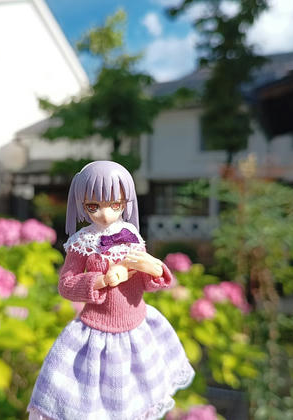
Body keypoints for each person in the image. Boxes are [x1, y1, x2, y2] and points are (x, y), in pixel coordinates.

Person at [28, 161, 194, 420]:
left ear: (126, 203)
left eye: (115, 205)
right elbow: (66, 284)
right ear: (82, 205)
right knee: (95, 399)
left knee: (138, 392)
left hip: (137, 325)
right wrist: (101, 280)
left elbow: (146, 283)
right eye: (93, 206)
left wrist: (154, 268)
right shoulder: (82, 243)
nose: (105, 214)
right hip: (97, 332)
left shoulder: (131, 235)